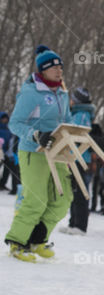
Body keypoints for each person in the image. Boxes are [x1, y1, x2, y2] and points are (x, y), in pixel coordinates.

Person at [4, 46, 72, 262]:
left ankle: (37, 239)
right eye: (54, 67)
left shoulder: (62, 93)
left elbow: (66, 120)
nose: (59, 70)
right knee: (36, 200)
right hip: (33, 152)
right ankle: (17, 242)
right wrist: (35, 134)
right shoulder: (31, 92)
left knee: (64, 198)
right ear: (43, 70)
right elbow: (15, 123)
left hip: (57, 152)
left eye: (61, 67)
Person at [63, 87, 95, 234]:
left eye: (72, 98)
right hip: (72, 157)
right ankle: (73, 223)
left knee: (80, 192)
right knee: (73, 191)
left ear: (76, 101)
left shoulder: (82, 115)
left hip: (79, 158)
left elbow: (80, 135)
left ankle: (81, 225)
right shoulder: (75, 114)